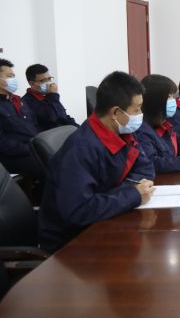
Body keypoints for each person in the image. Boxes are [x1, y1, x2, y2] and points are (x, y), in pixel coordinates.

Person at [38, 71, 155, 252]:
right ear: (116, 112)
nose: (140, 114)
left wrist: (125, 193)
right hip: (72, 244)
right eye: (137, 109)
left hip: (106, 220)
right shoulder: (81, 148)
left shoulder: (121, 132)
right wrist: (132, 194)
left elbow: (146, 168)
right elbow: (78, 211)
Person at [134, 74, 180, 174]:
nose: (173, 100)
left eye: (173, 96)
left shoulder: (164, 123)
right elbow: (154, 163)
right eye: (169, 97)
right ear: (156, 100)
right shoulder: (142, 130)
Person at [0, 58, 43, 178]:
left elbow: (34, 125)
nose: (13, 80)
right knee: (49, 166)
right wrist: (30, 149)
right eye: (9, 76)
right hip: (10, 156)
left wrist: (42, 144)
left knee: (62, 157)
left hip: (32, 148)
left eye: (13, 76)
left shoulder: (16, 100)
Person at [22, 63, 78, 131]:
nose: (48, 83)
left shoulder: (48, 96)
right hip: (51, 135)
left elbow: (63, 116)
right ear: (32, 83)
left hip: (64, 132)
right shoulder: (26, 102)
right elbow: (52, 118)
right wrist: (53, 95)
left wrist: (79, 129)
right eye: (42, 81)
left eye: (49, 79)